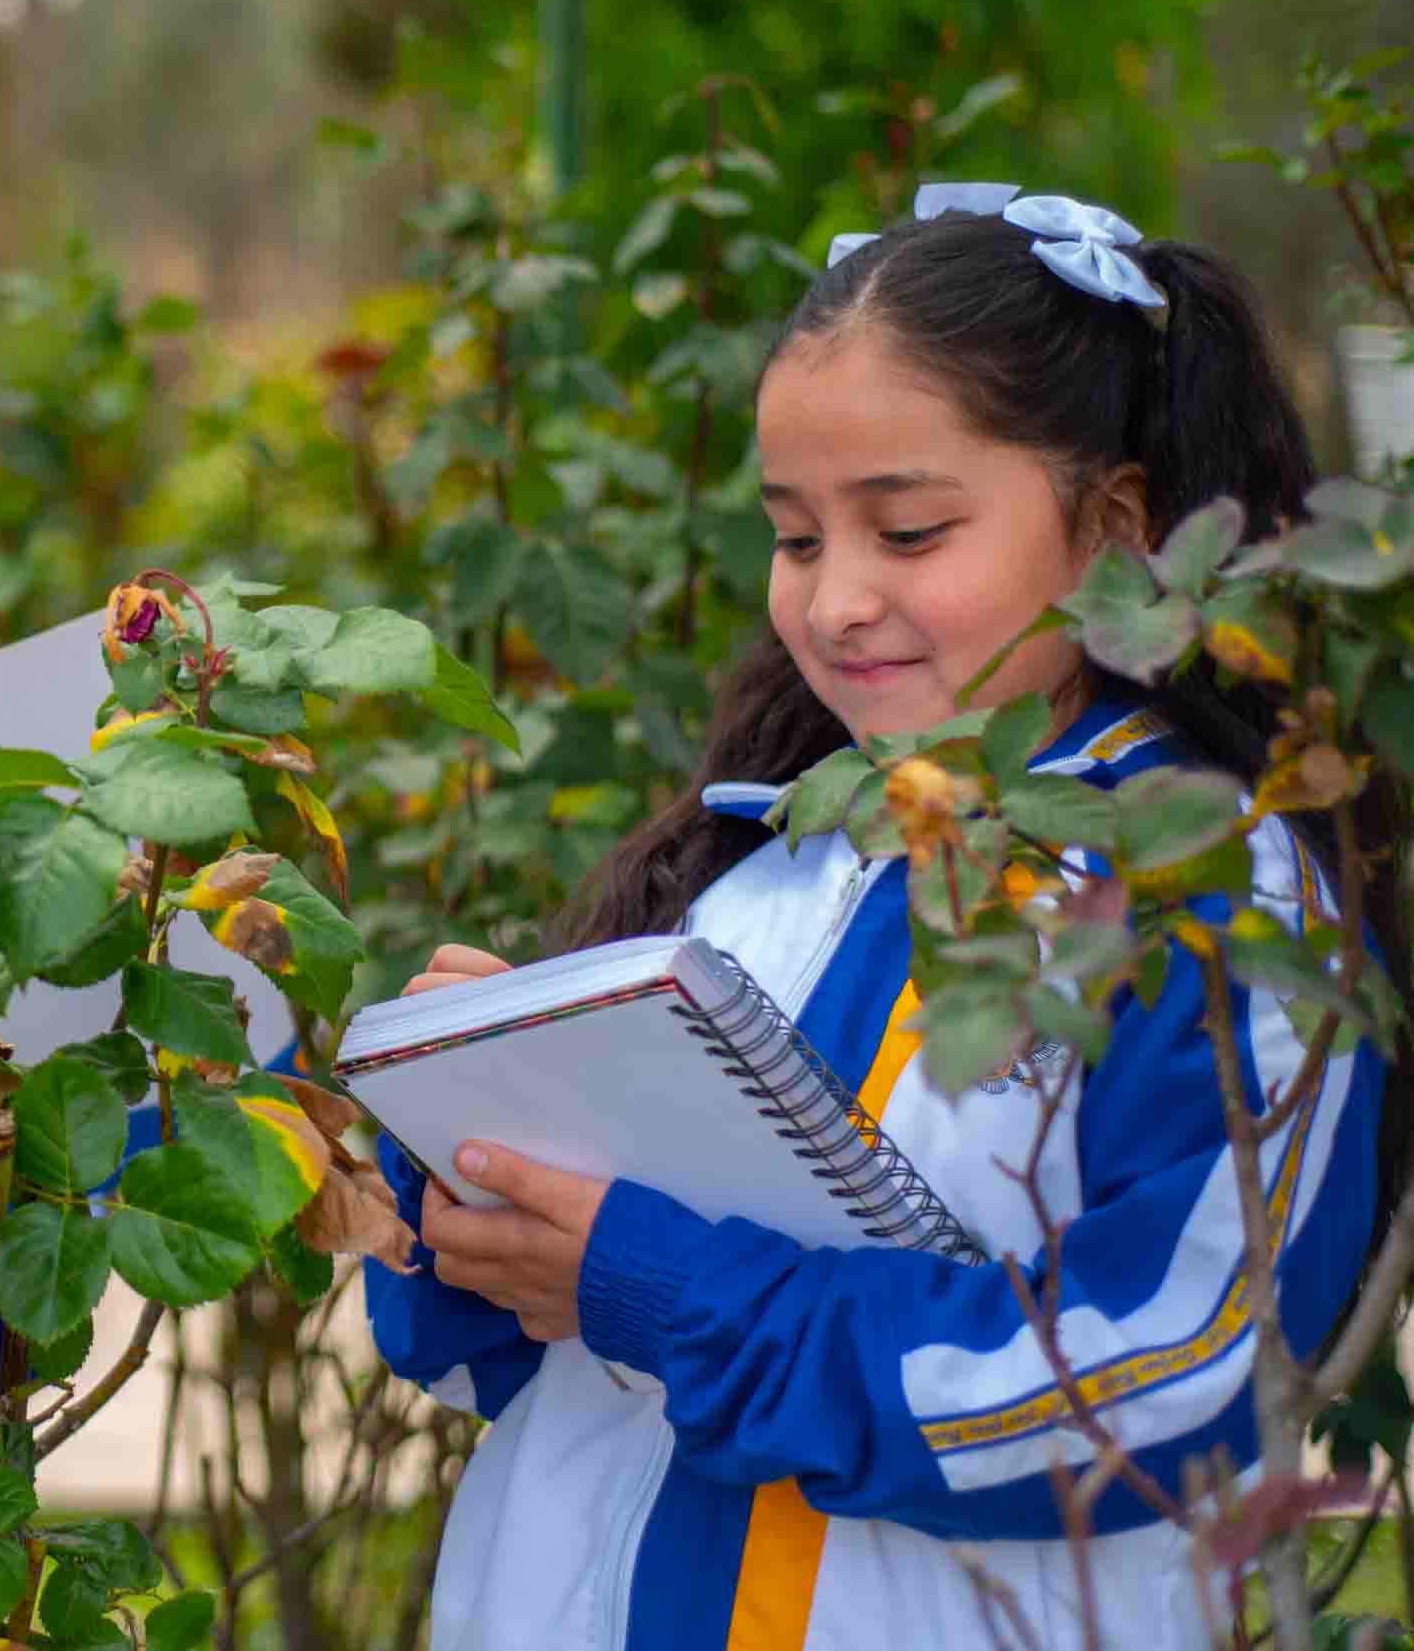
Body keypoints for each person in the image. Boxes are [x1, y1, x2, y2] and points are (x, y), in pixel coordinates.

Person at [364, 185, 1402, 1649]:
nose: (836, 601)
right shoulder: (758, 862)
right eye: (794, 540)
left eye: (907, 531)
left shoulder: (1214, 903)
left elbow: (1175, 1388)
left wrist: (664, 1292)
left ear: (1114, 532)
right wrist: (464, 1162)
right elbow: (492, 1369)